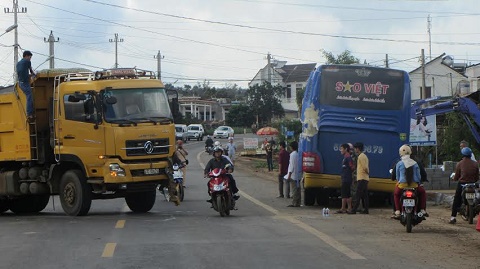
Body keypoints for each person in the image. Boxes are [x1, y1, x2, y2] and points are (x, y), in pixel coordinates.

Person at [392, 145, 427, 219]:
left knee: (396, 194)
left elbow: (397, 176)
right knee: (422, 192)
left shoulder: (399, 163)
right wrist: (418, 182)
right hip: (414, 186)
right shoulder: (415, 163)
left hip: (402, 186)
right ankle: (422, 209)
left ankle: (397, 211)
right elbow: (419, 177)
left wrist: (399, 181)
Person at [449, 147, 479, 224]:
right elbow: (477, 177)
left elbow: (456, 176)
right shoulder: (475, 164)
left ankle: (453, 217)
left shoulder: (460, 164)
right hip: (472, 184)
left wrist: (455, 179)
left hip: (462, 184)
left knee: (456, 199)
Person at [348, 142, 369, 214]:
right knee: (365, 195)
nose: (354, 150)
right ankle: (366, 209)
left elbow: (365, 167)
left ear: (358, 148)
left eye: (355, 148)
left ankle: (354, 210)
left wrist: (367, 172)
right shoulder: (363, 156)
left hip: (362, 177)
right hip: (364, 178)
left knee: (358, 194)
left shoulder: (361, 156)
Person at [16, 50, 36, 122]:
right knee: (29, 96)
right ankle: (29, 114)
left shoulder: (18, 63)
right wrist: (34, 75)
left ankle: (30, 112)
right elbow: (31, 71)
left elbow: (22, 73)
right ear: (26, 56)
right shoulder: (27, 62)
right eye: (30, 57)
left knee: (28, 96)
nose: (30, 59)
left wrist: (29, 76)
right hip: (25, 83)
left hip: (20, 83)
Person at [337, 144, 354, 213]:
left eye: (341, 149)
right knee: (346, 193)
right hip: (345, 177)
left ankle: (345, 208)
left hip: (347, 178)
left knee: (345, 193)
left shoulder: (348, 157)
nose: (340, 150)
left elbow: (352, 167)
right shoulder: (345, 157)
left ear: (346, 149)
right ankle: (346, 208)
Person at [287, 141, 300, 207]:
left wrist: (289, 174)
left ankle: (294, 203)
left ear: (291, 147)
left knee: (294, 189)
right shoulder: (297, 154)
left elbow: (291, 166)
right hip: (298, 174)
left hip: (293, 174)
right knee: (297, 189)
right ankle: (298, 202)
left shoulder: (292, 155)